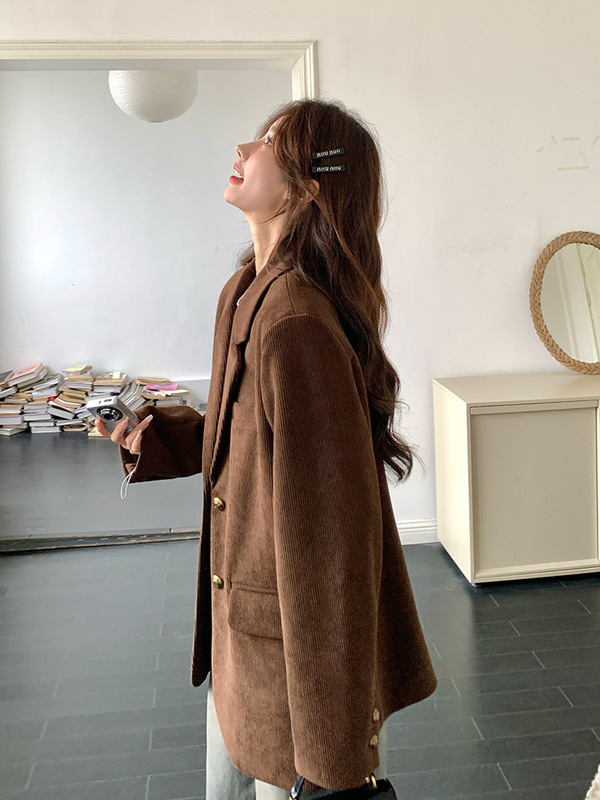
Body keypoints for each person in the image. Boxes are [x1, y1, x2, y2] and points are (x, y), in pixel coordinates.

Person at [97, 97, 438, 798]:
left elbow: (332, 548)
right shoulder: (246, 290)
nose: (243, 149)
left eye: (269, 144)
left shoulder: (296, 322)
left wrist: (332, 755)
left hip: (294, 669)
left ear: (307, 188)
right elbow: (247, 428)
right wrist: (156, 437)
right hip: (241, 637)